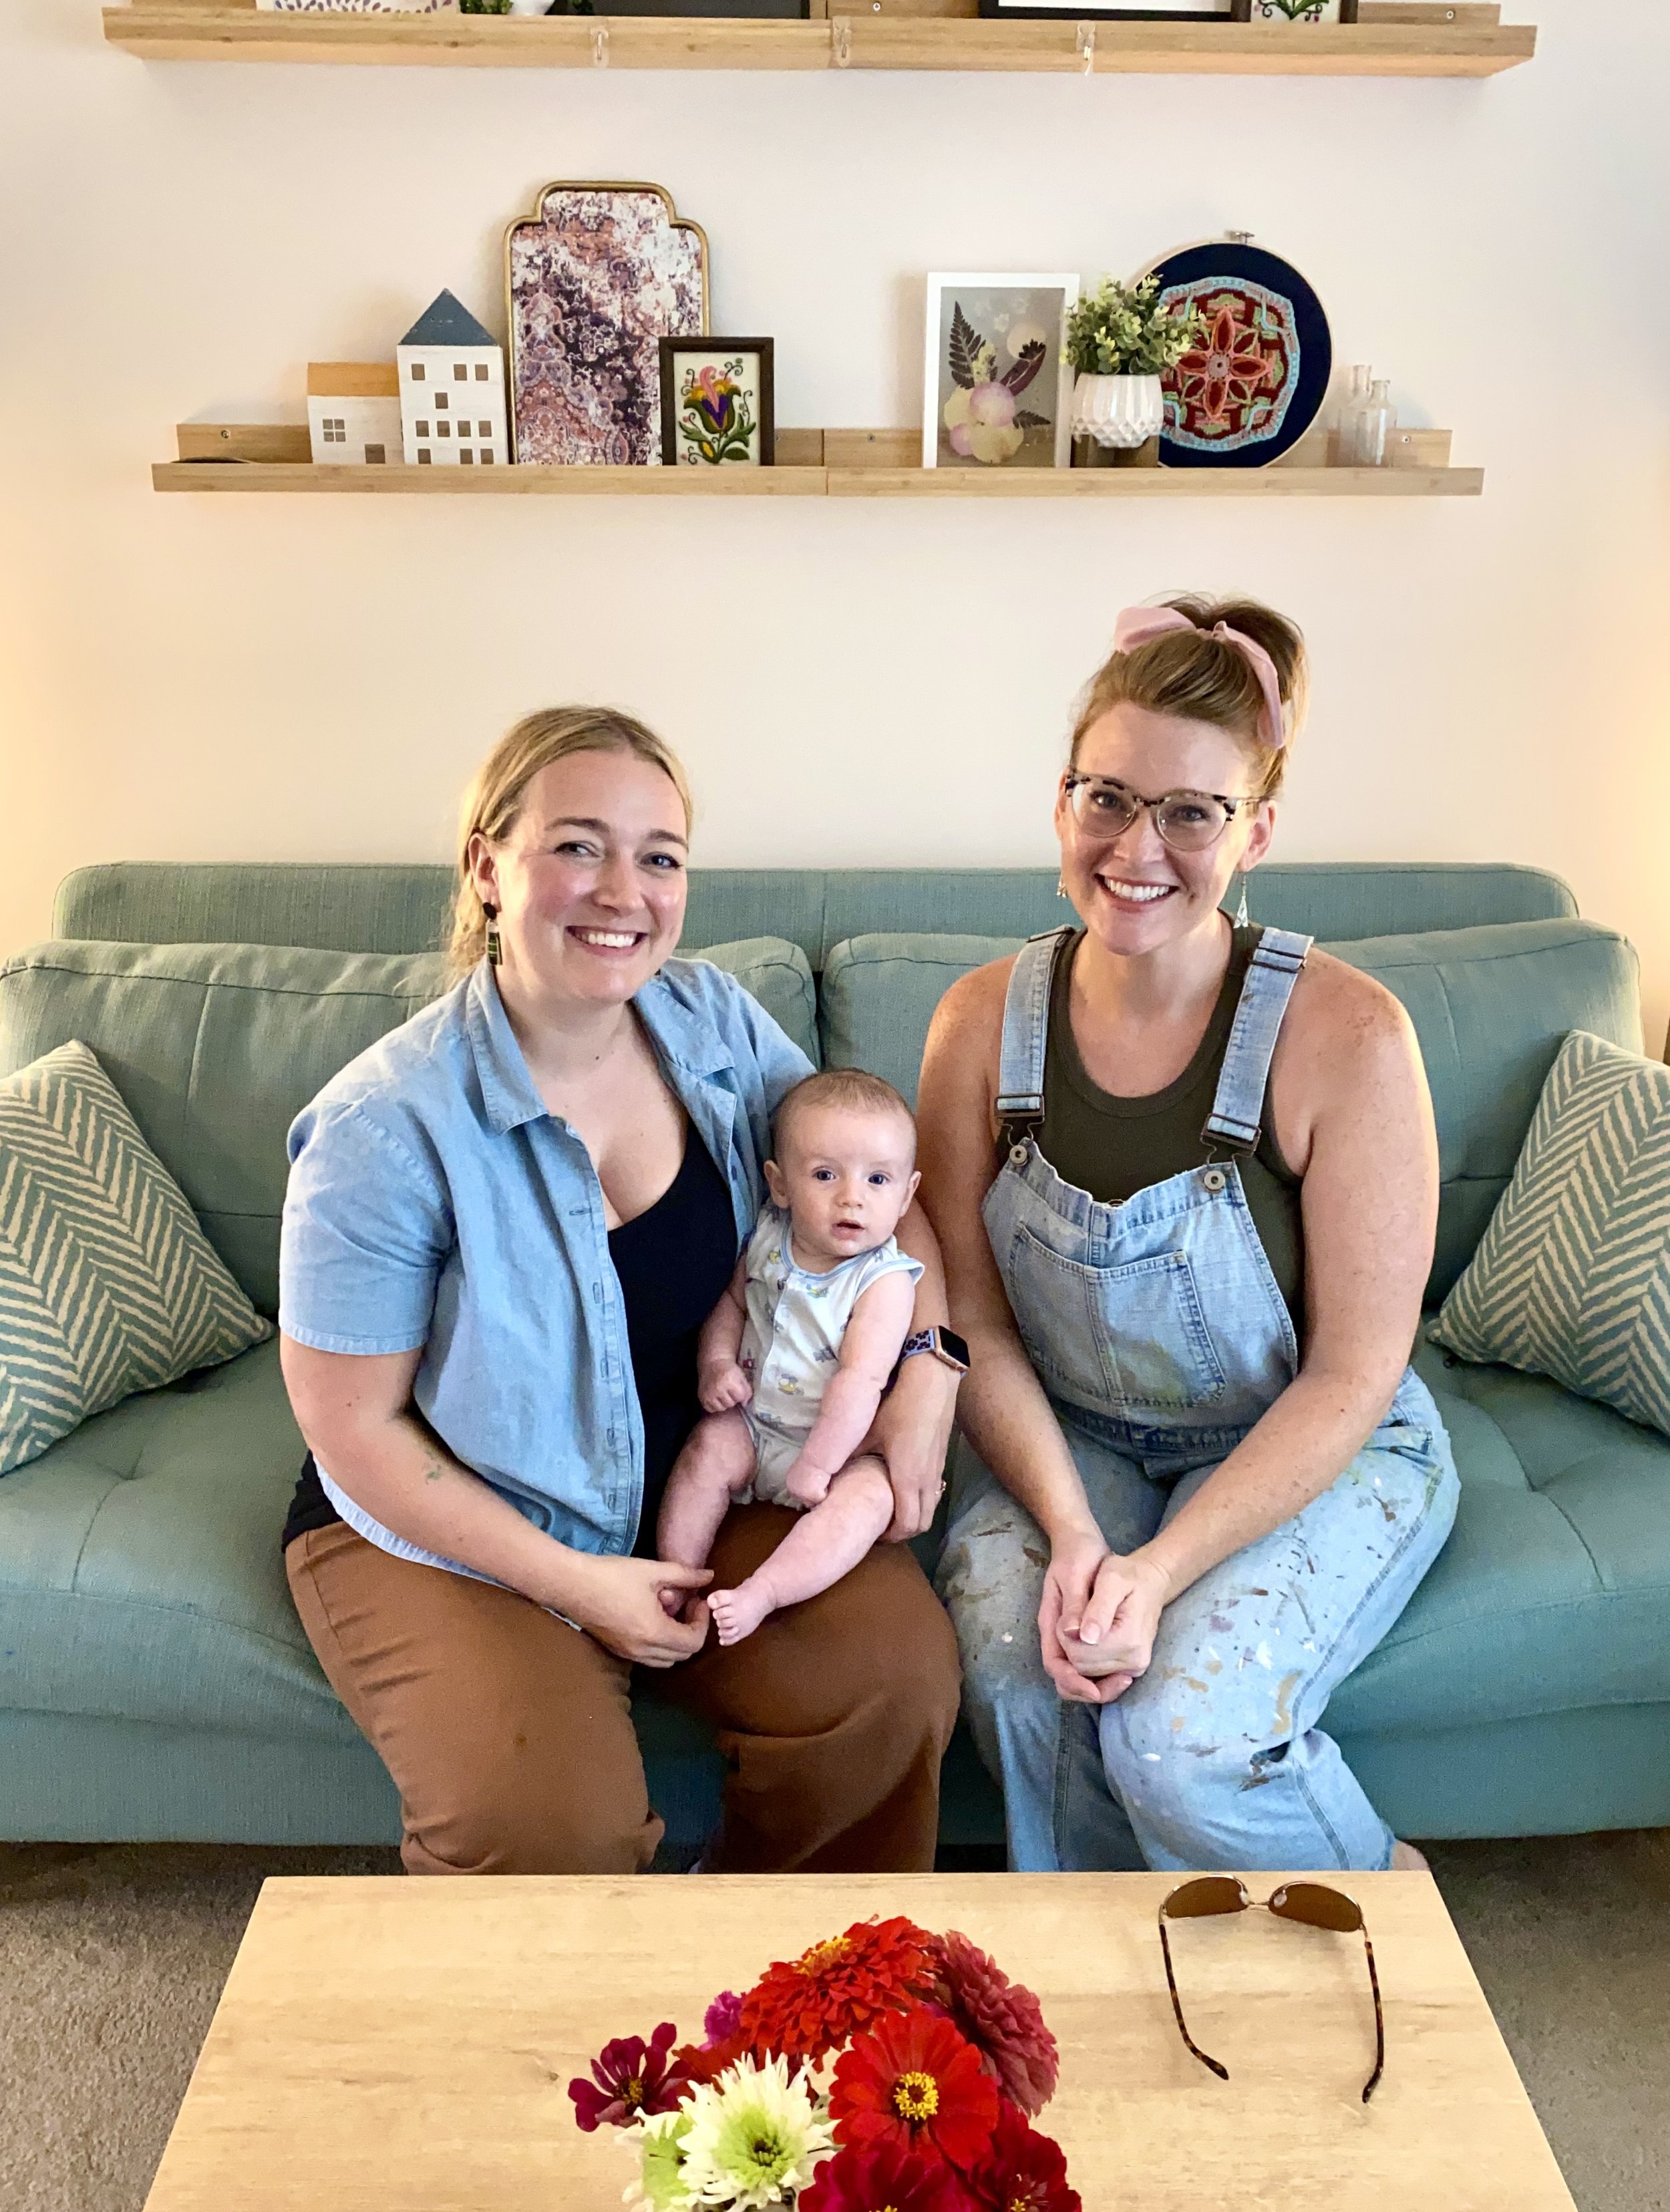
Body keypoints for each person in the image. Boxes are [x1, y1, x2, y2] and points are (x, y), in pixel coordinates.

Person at [278, 707, 962, 1875]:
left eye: (659, 855)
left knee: (889, 1680)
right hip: (459, 1517)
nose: (623, 889)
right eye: (578, 845)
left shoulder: (715, 1027)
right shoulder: (383, 1127)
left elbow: (887, 1200)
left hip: (702, 1464)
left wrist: (930, 1375)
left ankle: (782, 1977)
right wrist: (577, 1582)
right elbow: (352, 1426)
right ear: (488, 867)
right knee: (547, 1829)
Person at [917, 597, 1460, 1875]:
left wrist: (1158, 1570)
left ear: (1256, 828)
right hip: (1074, 1438)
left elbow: (1353, 1372)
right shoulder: (978, 1020)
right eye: (1107, 797)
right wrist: (1075, 1532)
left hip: (1310, 1445)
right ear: (1061, 804)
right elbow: (975, 1322)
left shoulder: (1353, 1036)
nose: (1137, 845)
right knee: (1016, 1666)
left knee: (1176, 1736)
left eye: (1190, 811)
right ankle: (1125, 1982)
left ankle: (1385, 1921)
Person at [659, 1069, 927, 1647]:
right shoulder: (768, 1236)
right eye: (825, 1175)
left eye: (878, 1179)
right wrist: (716, 1365)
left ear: (907, 1196)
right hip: (753, 1426)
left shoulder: (885, 1281)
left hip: (837, 1450)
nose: (852, 1196)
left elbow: (861, 1379)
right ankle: (675, 1577)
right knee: (707, 1449)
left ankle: (766, 1591)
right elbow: (732, 1302)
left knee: (870, 1500)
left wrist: (820, 1465)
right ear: (779, 1185)